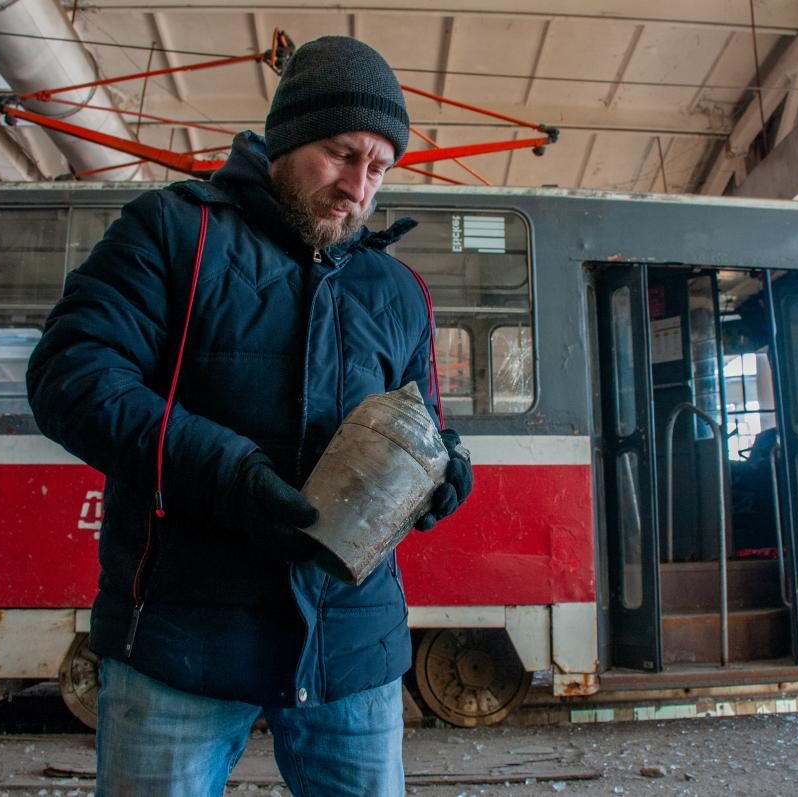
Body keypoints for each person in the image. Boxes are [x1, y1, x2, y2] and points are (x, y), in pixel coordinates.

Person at [26, 35, 473, 797]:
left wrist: (444, 467)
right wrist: (226, 474)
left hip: (351, 646)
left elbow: (417, 417)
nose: (358, 187)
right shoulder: (172, 231)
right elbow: (71, 374)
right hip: (182, 640)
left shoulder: (398, 290)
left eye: (379, 167)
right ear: (286, 136)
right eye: (340, 154)